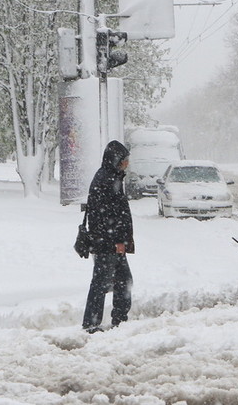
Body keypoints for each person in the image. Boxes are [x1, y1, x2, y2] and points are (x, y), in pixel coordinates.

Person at [82, 140, 135, 334]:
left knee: (123, 280)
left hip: (109, 242)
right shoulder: (107, 179)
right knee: (102, 284)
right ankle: (91, 324)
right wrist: (117, 242)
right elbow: (107, 216)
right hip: (108, 243)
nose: (127, 163)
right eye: (124, 159)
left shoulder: (111, 176)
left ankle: (119, 320)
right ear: (115, 159)